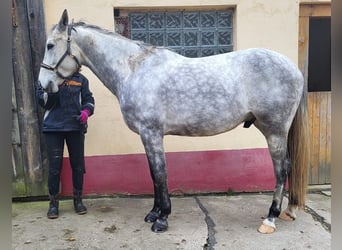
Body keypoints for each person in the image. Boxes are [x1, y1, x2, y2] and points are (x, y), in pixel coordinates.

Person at [36, 72, 95, 219]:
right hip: (53, 129)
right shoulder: (46, 79)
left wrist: (86, 112)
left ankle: (78, 201)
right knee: (55, 168)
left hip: (75, 127)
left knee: (78, 166)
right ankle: (53, 204)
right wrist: (54, 90)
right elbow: (42, 102)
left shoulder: (81, 80)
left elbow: (89, 100)